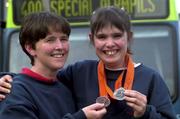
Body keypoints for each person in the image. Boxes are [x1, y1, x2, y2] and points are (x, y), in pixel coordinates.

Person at [0, 6, 176, 119]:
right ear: (92, 40)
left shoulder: (151, 78)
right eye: (102, 37)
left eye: (116, 36)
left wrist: (145, 113)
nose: (109, 43)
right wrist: (7, 79)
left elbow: (46, 80)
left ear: (128, 38)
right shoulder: (80, 72)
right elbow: (39, 80)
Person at [0, 12, 106, 119]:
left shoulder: (65, 85)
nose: (59, 46)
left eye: (63, 39)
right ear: (30, 48)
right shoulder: (15, 92)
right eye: (50, 40)